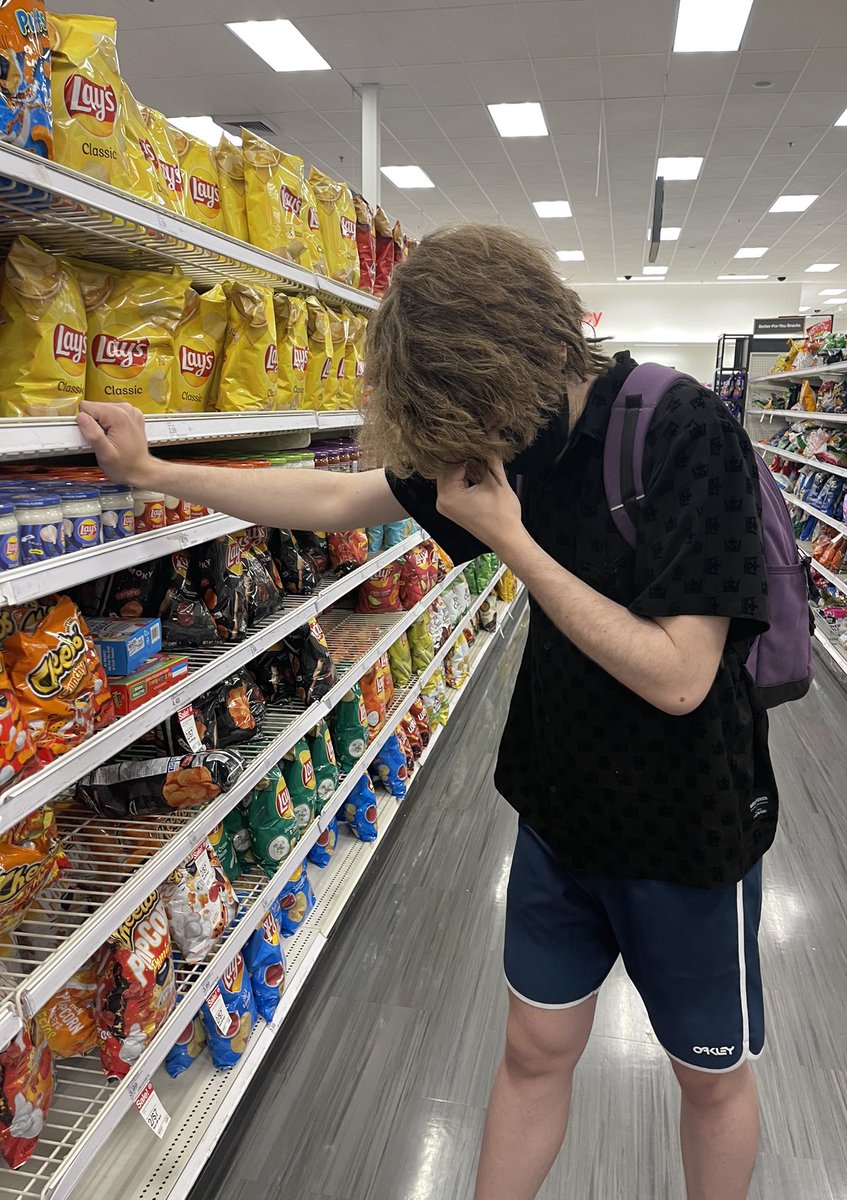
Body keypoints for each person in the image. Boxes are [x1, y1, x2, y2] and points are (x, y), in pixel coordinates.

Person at [78, 225, 777, 1200]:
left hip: (690, 831)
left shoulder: (684, 432)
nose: (463, 458)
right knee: (533, 1049)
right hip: (558, 811)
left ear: (536, 362)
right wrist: (157, 473)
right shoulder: (493, 431)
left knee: (708, 1076)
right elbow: (336, 498)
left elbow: (680, 676)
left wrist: (512, 540)